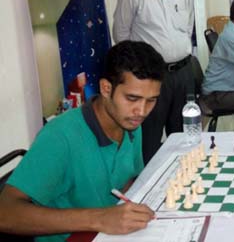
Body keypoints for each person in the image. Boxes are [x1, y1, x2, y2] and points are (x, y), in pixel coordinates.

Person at [0, 41, 165, 242]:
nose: (142, 111)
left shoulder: (131, 122)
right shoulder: (60, 137)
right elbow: (5, 214)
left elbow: (128, 182)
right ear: (106, 88)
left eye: (151, 100)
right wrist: (100, 218)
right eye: (132, 98)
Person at [113, 0, 195, 164]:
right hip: (150, 79)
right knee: (148, 137)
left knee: (186, 134)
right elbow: (121, 38)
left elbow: (187, 29)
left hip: (183, 73)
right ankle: (148, 188)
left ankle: (187, 178)